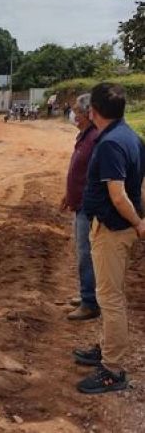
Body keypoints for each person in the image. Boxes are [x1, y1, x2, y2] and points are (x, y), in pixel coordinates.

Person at [74, 83, 145, 394]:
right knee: (110, 293)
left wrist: (138, 223)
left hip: (114, 231)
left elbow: (118, 196)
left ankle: (113, 370)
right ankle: (106, 348)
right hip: (116, 227)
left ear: (94, 111)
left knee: (110, 299)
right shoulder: (130, 137)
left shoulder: (111, 144)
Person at [61, 94, 101, 321]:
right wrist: (69, 193)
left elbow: (94, 176)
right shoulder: (85, 136)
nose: (74, 115)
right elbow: (79, 170)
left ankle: (90, 302)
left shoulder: (95, 138)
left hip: (88, 206)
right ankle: (87, 293)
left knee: (86, 254)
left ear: (88, 113)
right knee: (83, 252)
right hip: (79, 203)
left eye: (77, 111)